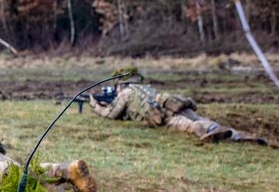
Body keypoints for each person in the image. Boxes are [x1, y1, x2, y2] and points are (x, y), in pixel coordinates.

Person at [88, 75, 267, 144]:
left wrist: (95, 105)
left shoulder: (125, 93)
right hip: (175, 104)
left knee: (190, 126)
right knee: (197, 117)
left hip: (163, 115)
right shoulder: (145, 88)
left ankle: (213, 131)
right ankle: (238, 135)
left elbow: (111, 114)